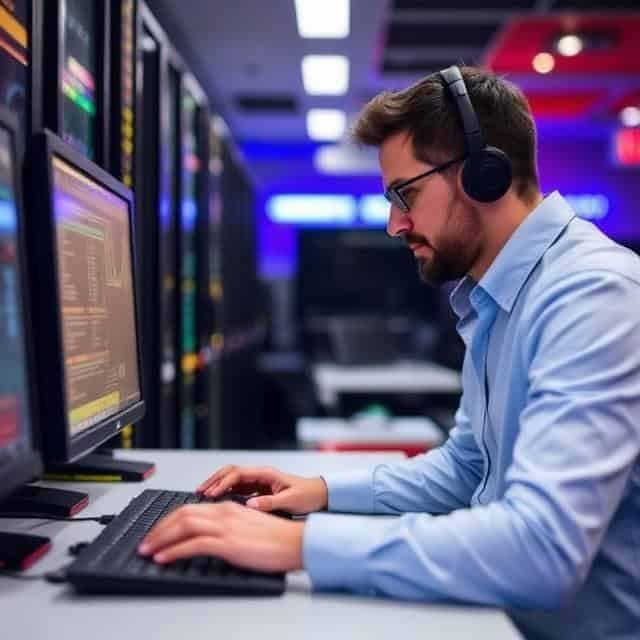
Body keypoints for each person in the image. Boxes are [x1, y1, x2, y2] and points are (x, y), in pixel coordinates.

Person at [138, 66, 640, 639]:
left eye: (405, 194)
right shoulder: (500, 295)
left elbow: (541, 551)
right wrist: (319, 493)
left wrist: (302, 544)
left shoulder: (593, 296)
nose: (394, 223)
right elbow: (466, 469)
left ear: (484, 175)